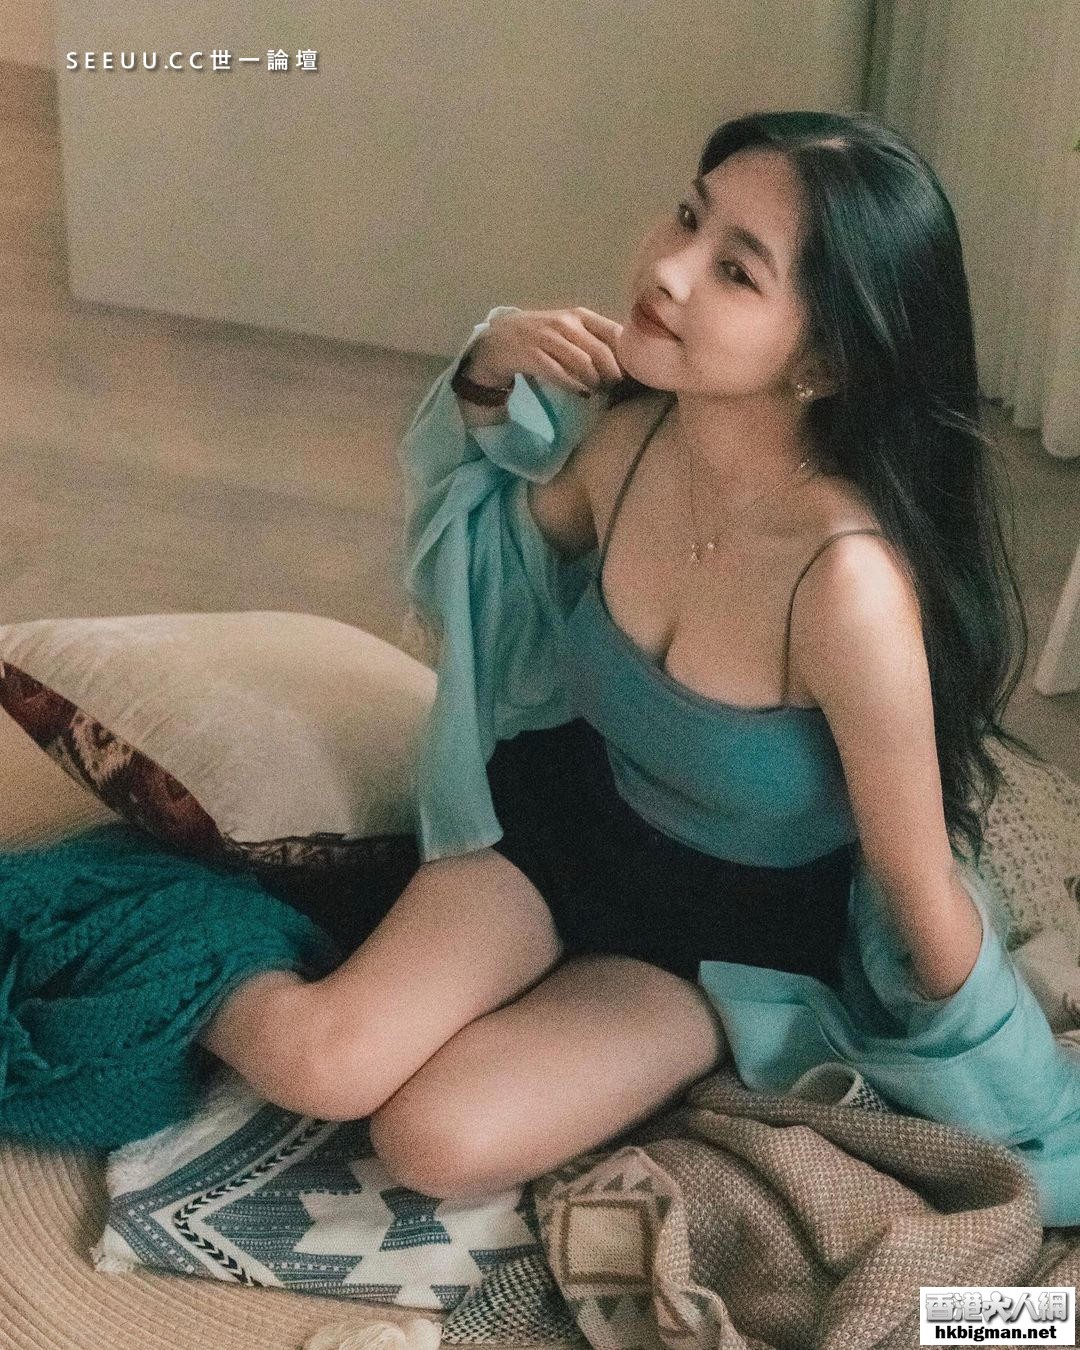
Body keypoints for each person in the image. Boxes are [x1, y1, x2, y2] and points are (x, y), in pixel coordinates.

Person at [197, 109, 1080, 1223]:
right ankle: (153, 930)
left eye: (736, 270)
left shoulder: (847, 587)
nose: (668, 269)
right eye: (687, 216)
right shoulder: (626, 443)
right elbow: (481, 568)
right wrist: (484, 373)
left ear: (825, 359)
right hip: (563, 825)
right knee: (322, 1064)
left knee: (431, 1139)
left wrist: (1032, 1102)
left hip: (724, 940)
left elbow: (916, 886)